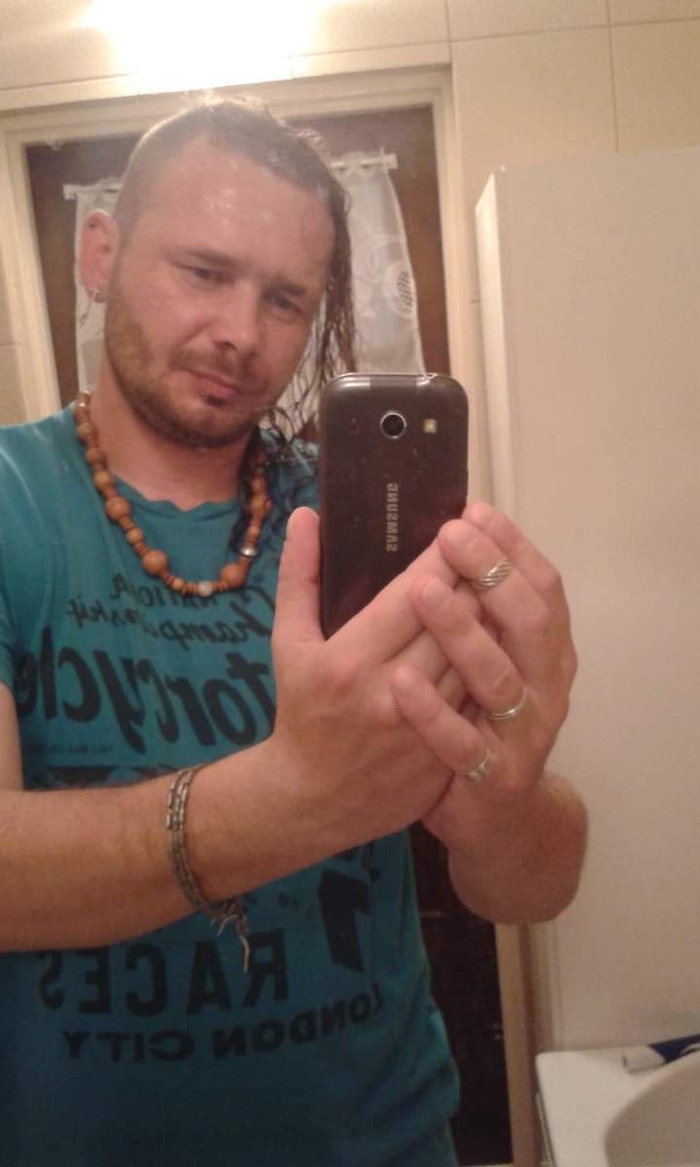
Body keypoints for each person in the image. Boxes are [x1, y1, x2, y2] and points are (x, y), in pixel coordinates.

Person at [0, 98, 586, 1166]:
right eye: (203, 271)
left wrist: (507, 794)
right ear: (100, 253)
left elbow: (532, 888)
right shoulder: (10, 505)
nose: (240, 332)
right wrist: (287, 800)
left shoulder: (372, 527)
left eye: (284, 300)